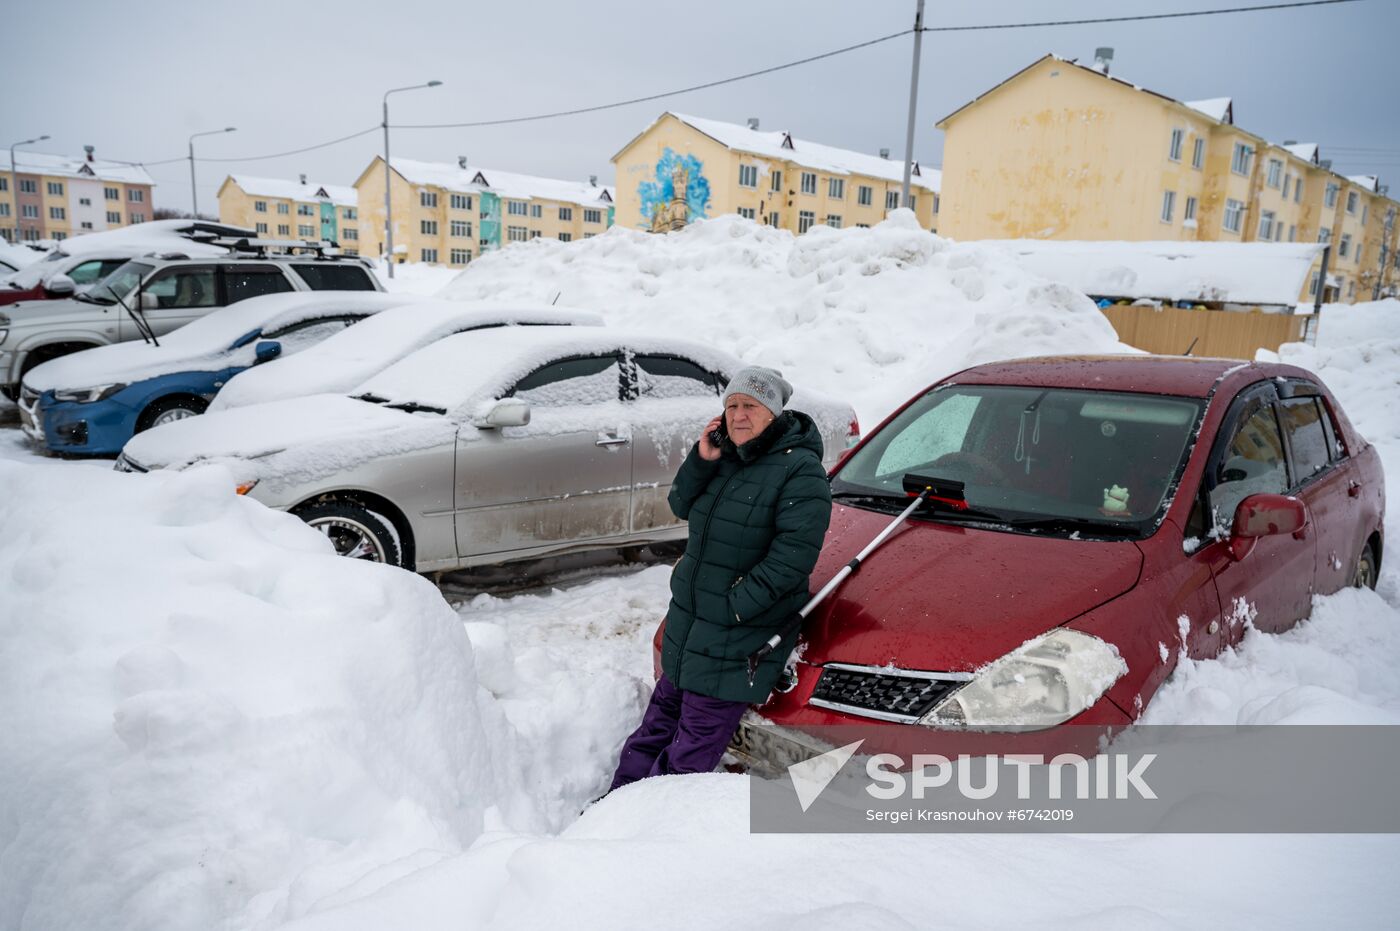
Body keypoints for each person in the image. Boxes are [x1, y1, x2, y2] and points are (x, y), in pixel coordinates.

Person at [608, 365, 833, 790]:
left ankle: (639, 840)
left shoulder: (800, 472)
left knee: (689, 754)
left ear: (774, 413)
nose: (738, 415)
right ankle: (609, 811)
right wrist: (703, 458)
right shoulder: (726, 456)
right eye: (731, 406)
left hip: (735, 638)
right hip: (689, 627)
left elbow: (791, 562)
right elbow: (681, 503)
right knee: (653, 732)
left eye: (750, 405)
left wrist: (733, 607)